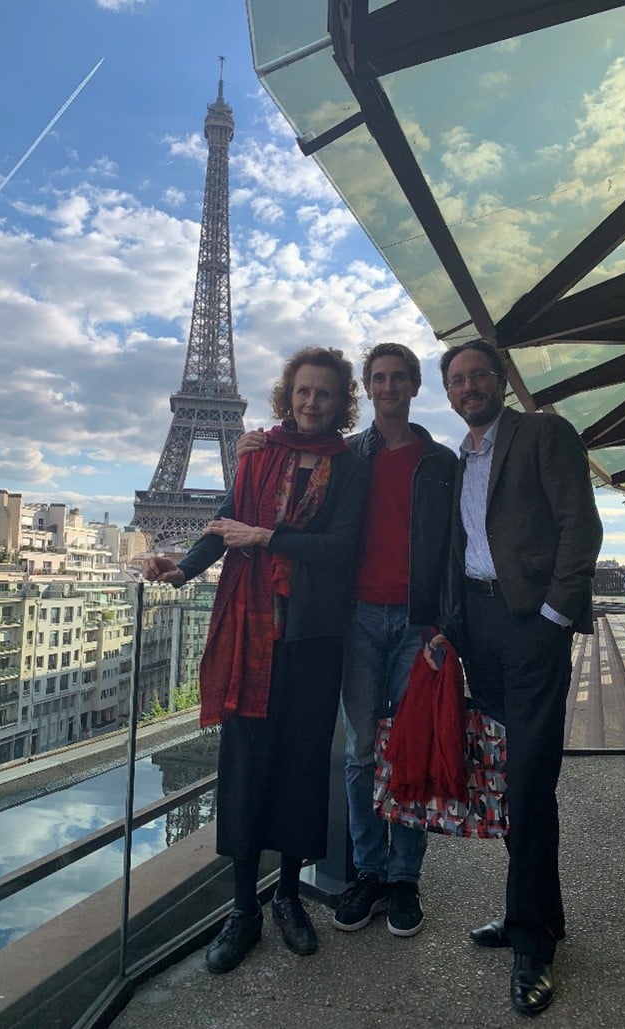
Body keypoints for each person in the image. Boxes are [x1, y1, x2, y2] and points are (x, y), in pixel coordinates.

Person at [144, 346, 369, 974]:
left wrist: (269, 538)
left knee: (300, 771)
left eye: (324, 393)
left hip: (311, 640)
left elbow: (342, 547)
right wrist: (183, 570)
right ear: (287, 394)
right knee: (245, 767)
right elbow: (223, 524)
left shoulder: (348, 468)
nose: (311, 402)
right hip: (252, 637)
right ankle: (243, 907)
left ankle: (289, 898)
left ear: (339, 402)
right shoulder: (255, 452)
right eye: (303, 391)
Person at [239, 342, 457, 938]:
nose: (387, 387)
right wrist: (252, 443)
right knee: (362, 753)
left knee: (409, 749)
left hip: (416, 623)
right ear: (368, 386)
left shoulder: (439, 463)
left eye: (397, 378)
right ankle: (369, 870)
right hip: (355, 617)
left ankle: (404, 880)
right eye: (377, 378)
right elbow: (287, 473)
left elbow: (454, 550)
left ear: (413, 386)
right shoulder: (347, 454)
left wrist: (443, 624)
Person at [438, 338, 602, 1016]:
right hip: (479, 627)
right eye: (458, 379)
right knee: (514, 778)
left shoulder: (543, 432)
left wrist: (553, 616)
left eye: (479, 374)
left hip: (530, 625)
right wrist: (450, 627)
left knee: (529, 780)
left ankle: (532, 942)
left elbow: (580, 525)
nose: (470, 386)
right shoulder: (459, 459)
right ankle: (534, 912)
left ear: (502, 379)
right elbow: (461, 548)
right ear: (448, 393)